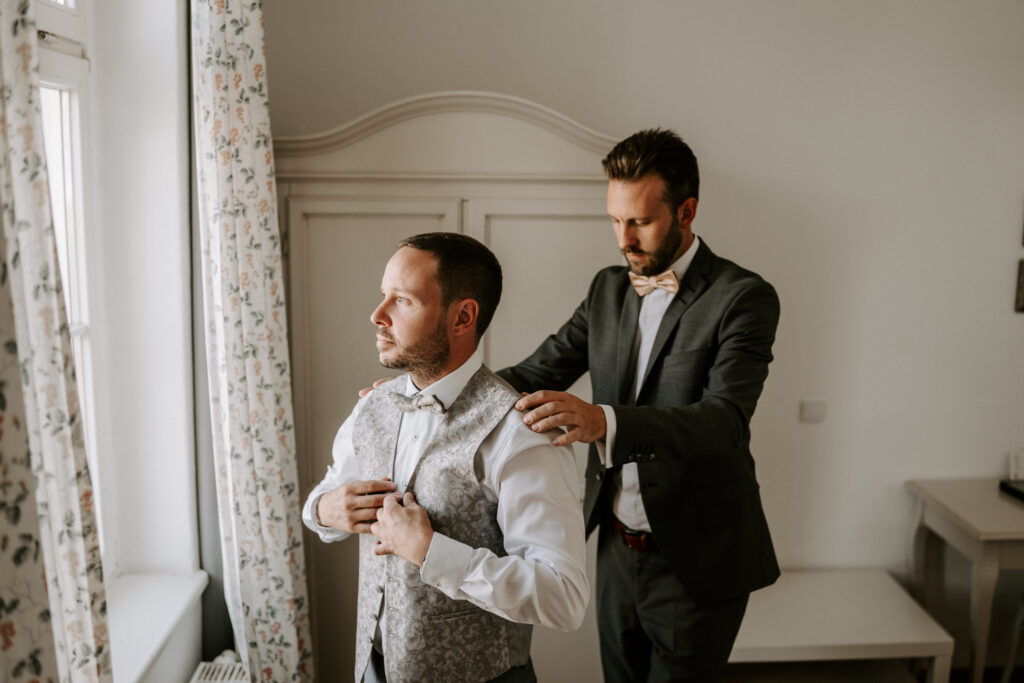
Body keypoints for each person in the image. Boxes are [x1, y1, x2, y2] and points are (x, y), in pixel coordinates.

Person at [496, 128, 780, 682]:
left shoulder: (744, 297)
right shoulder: (607, 289)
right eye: (614, 220)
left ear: (686, 211)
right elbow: (533, 373)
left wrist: (602, 420)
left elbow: (724, 421)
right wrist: (430, 392)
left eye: (640, 222)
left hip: (698, 559)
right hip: (614, 550)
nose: (623, 239)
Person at [302, 232, 588, 683]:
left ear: (462, 317)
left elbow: (563, 597)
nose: (378, 315)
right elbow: (330, 489)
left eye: (402, 300)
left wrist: (430, 551)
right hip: (371, 669)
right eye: (383, 295)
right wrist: (322, 509)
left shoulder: (520, 435)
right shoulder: (372, 405)